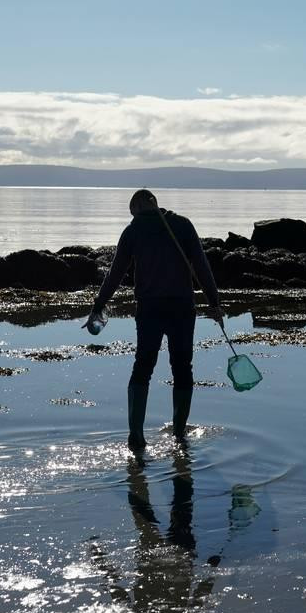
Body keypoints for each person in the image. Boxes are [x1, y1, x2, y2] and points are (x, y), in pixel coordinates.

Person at [84, 189, 223, 451]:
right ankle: (180, 435)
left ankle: (136, 435)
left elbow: (115, 274)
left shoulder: (133, 231)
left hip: (149, 309)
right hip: (182, 308)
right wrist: (214, 303)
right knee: (182, 368)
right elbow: (202, 267)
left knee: (142, 368)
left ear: (137, 207)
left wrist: (98, 306)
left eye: (133, 212)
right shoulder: (183, 225)